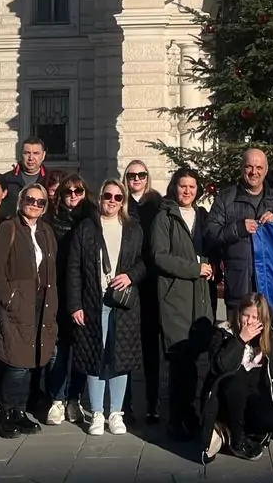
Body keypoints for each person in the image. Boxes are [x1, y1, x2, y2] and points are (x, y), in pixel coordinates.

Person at [69, 178, 145, 435]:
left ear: (123, 201)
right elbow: (74, 268)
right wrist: (75, 304)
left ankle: (116, 412)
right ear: (100, 198)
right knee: (96, 356)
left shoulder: (133, 228)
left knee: (119, 357)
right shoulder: (87, 228)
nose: (112, 201)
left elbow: (144, 262)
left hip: (122, 304)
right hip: (93, 301)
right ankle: (97, 413)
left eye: (117, 197)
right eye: (107, 196)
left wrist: (131, 276)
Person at [0, 182, 59, 439]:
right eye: (30, 199)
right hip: (17, 305)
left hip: (41, 305)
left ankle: (19, 411)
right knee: (16, 362)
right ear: (21, 201)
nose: (35, 205)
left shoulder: (46, 232)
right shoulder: (9, 229)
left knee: (31, 363)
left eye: (40, 202)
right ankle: (7, 413)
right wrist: (8, 299)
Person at [152, 166, 215, 441]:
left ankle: (190, 412)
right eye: (182, 186)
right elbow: (160, 257)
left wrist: (211, 267)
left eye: (191, 186)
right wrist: (195, 268)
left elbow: (210, 247)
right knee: (180, 362)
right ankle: (175, 418)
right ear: (174, 187)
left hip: (200, 298)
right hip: (175, 298)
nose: (187, 191)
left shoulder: (202, 216)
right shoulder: (164, 217)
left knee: (194, 360)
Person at [201, 294, 273, 461]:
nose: (249, 321)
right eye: (246, 315)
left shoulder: (268, 338)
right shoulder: (223, 333)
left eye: (255, 317)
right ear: (239, 314)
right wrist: (240, 340)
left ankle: (231, 430)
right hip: (227, 395)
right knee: (237, 381)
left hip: (252, 394)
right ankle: (236, 440)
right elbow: (219, 367)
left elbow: (271, 377)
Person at [44, 172, 92, 424]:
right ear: (61, 194)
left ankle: (75, 398)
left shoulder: (91, 219)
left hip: (85, 292)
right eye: (68, 191)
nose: (73, 196)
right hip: (58, 291)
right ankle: (57, 399)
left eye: (78, 191)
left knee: (81, 348)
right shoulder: (50, 220)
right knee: (59, 349)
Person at [208, 149, 273, 306]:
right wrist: (238, 228)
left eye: (259, 168)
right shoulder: (226, 198)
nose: (254, 172)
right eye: (249, 166)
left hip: (272, 286)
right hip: (238, 286)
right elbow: (211, 233)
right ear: (242, 168)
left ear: (266, 170)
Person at [122, 159, 164, 424]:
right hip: (127, 279)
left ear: (147, 177)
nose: (136, 179)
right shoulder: (121, 203)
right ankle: (124, 405)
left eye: (141, 174)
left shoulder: (157, 204)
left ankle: (153, 403)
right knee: (124, 343)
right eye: (131, 175)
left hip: (151, 281)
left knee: (150, 346)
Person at [4, 137, 54, 203]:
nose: (31, 158)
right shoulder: (7, 180)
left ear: (43, 155)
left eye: (36, 153)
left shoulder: (51, 179)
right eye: (27, 153)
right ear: (21, 154)